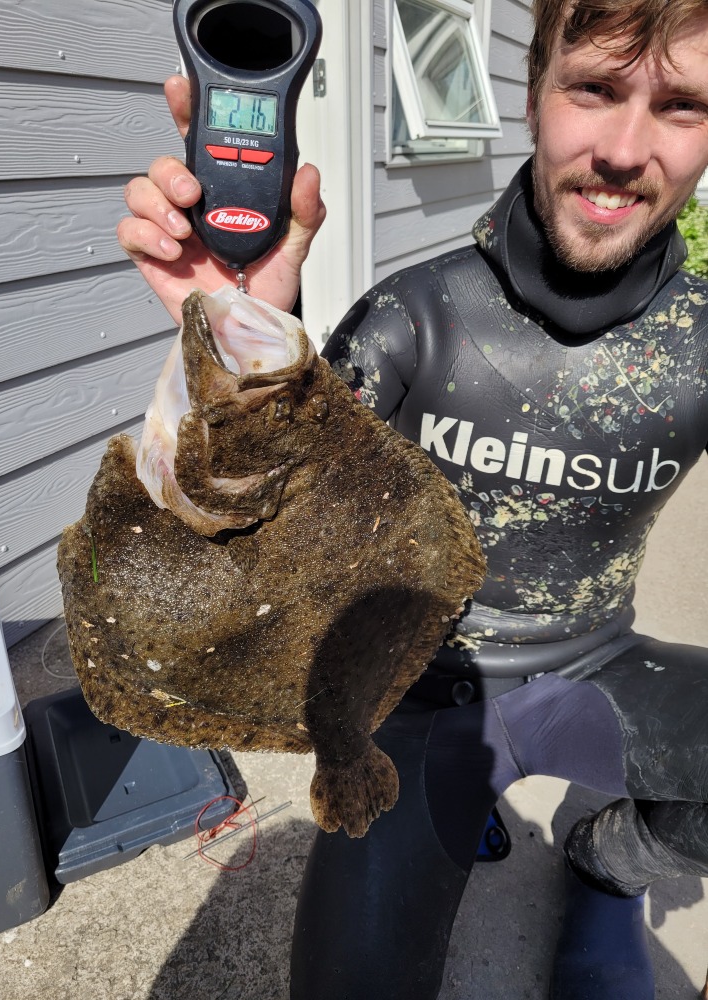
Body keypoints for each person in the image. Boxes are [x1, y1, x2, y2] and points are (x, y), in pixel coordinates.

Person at [117, 1, 708, 996]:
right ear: (534, 96)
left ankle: (610, 865)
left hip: (593, 668)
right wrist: (231, 356)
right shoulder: (412, 318)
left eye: (681, 105)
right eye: (595, 88)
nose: (622, 148)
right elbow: (234, 555)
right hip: (414, 700)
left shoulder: (698, 345)